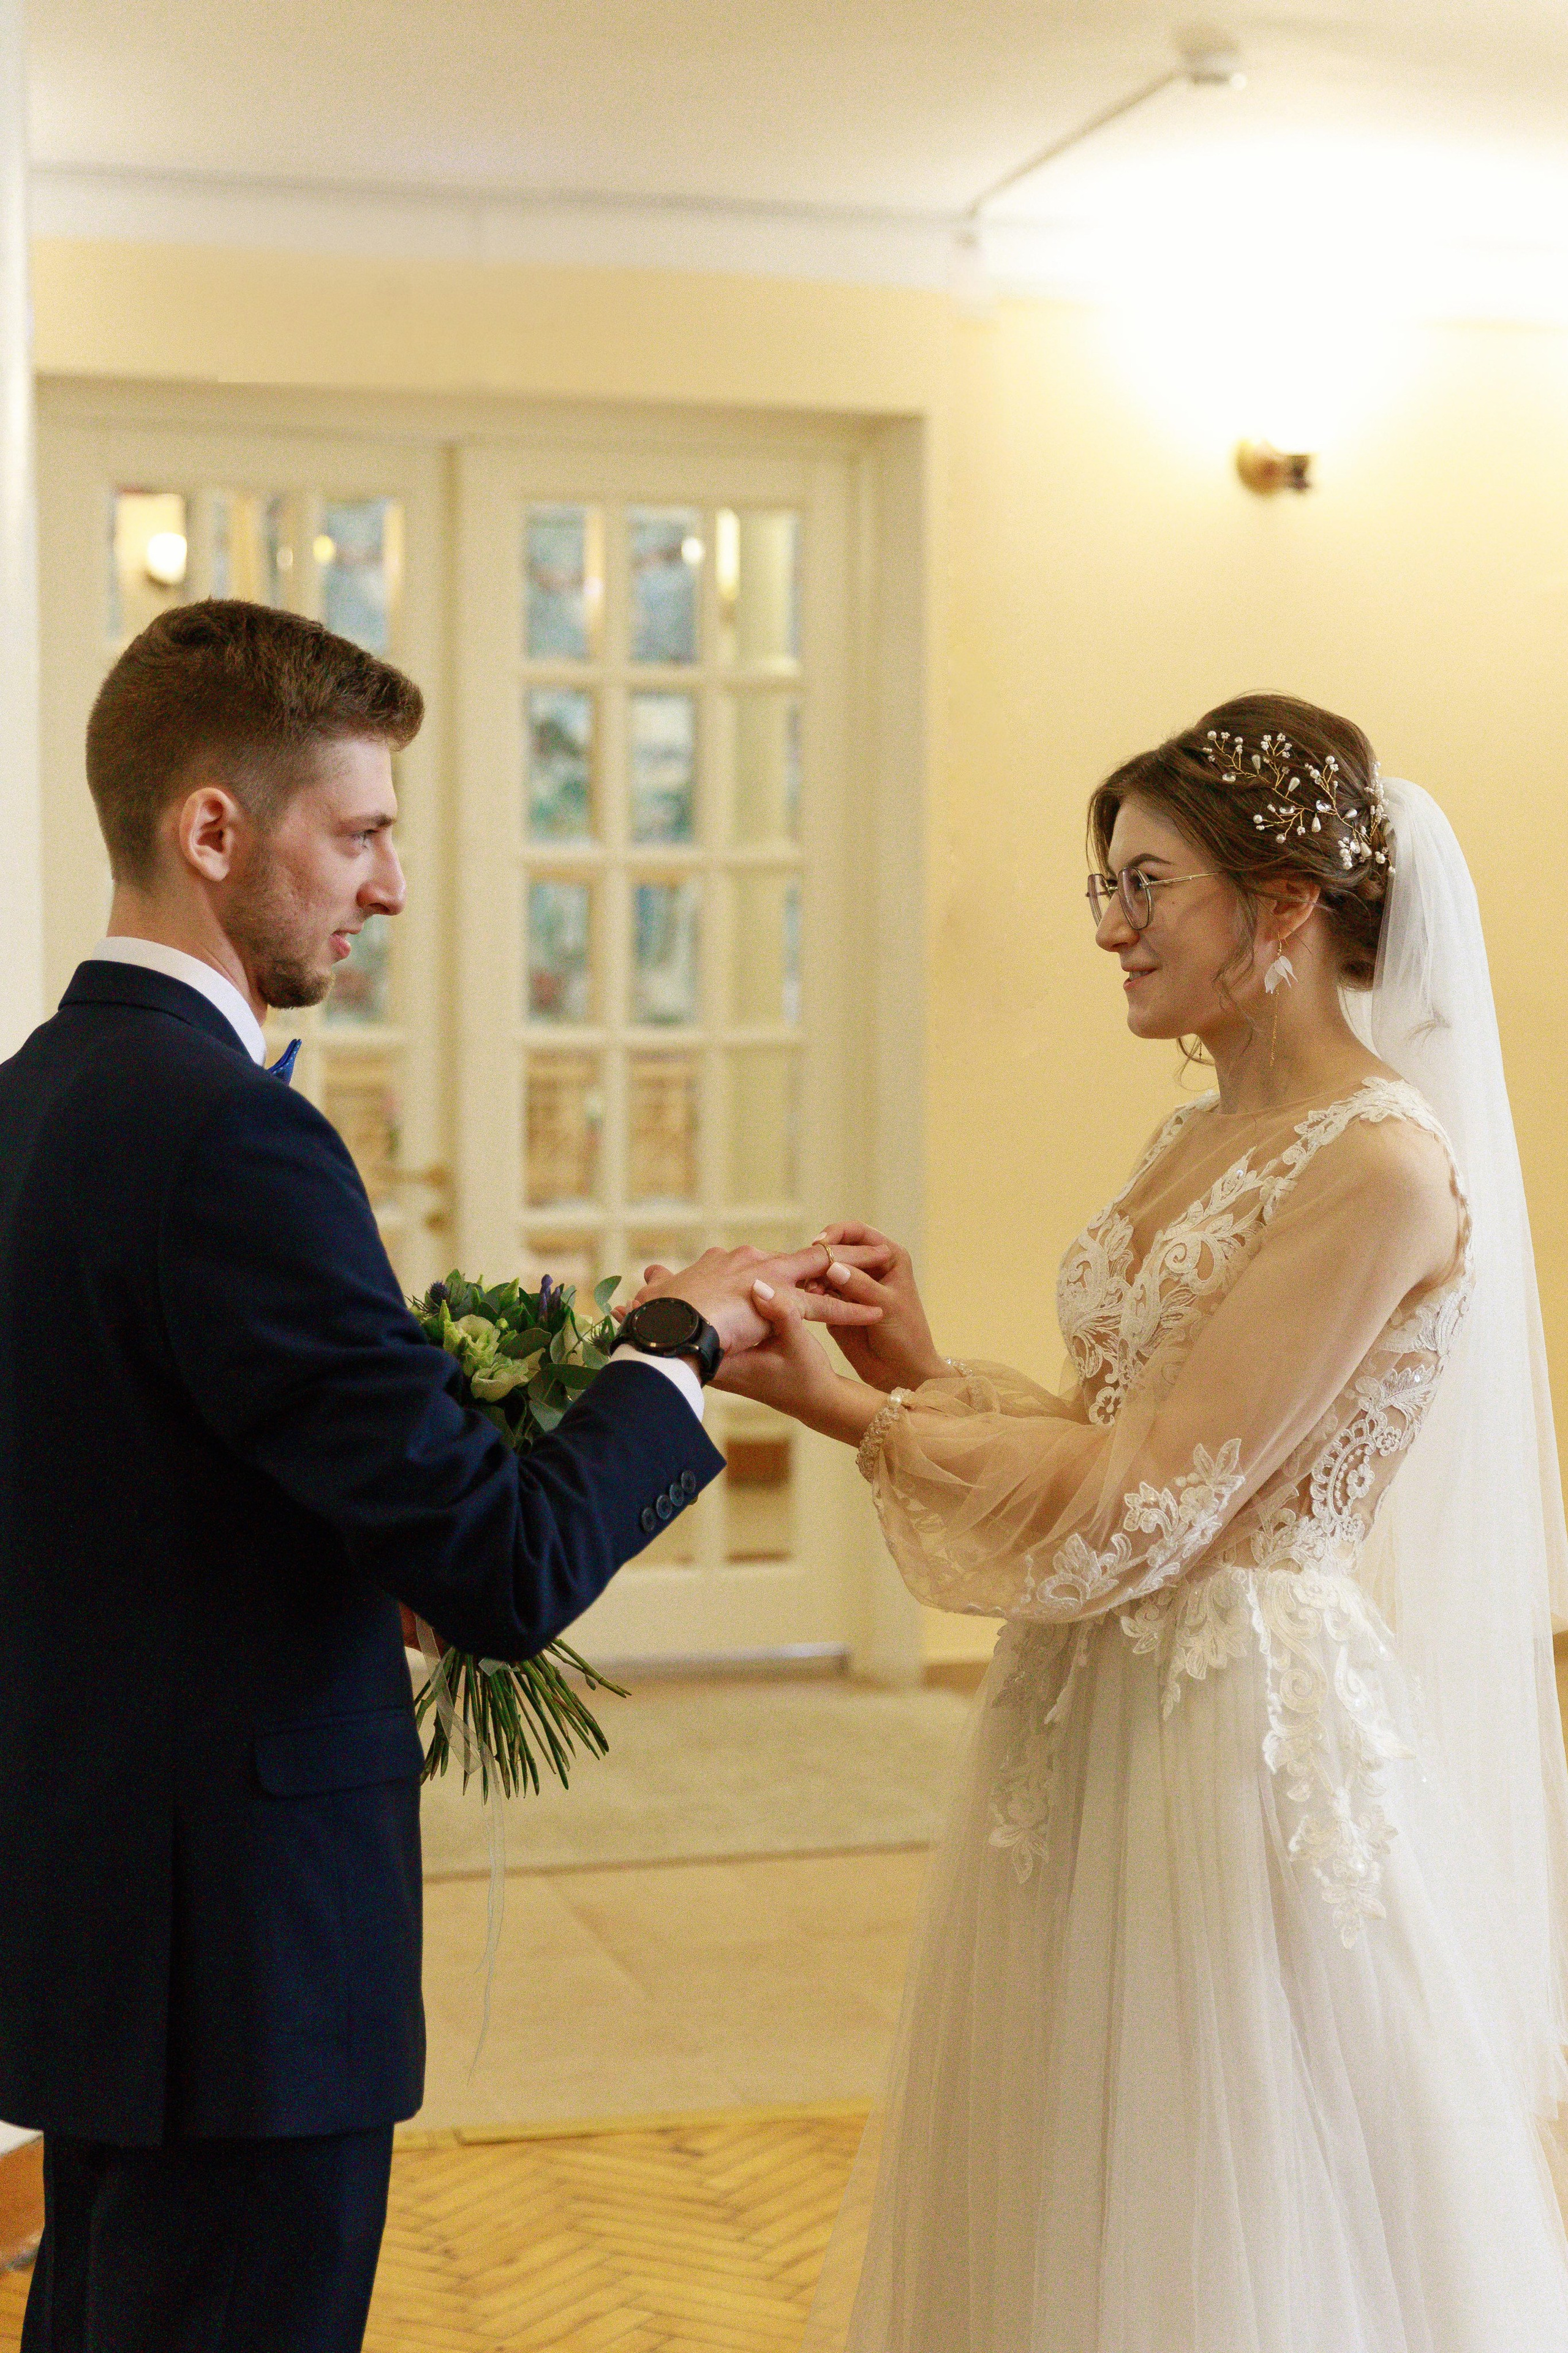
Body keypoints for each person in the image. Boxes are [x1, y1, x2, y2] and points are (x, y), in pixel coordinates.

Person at [0, 599, 886, 2353]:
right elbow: (497, 1570)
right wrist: (674, 1349)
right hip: (244, 1978)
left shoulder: (35, 1099)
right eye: (364, 830)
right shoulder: (236, 1136)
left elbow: (152, 1488)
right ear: (211, 829)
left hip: (102, 1937)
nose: (389, 885)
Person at [716, 693, 1568, 2349]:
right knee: (1066, 2159)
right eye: (1105, 887)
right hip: (1095, 1703)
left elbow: (1157, 1500)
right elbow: (1127, 1448)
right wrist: (924, 1365)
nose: (1110, 927)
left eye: (1144, 885)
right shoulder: (1199, 1130)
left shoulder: (1383, 1164)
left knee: (1226, 2172)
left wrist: (854, 1414)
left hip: (1230, 1737)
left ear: (1284, 909)